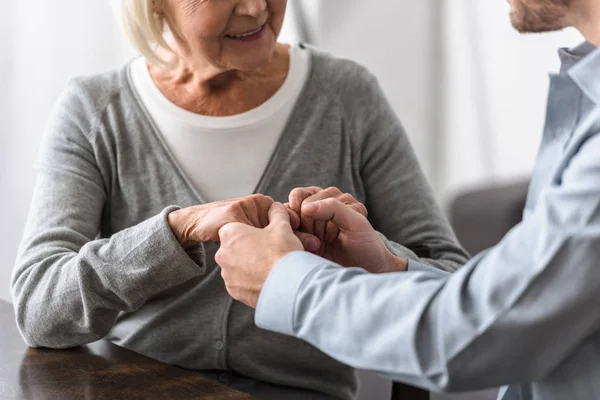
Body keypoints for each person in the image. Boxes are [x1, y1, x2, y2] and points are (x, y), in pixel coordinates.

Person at [10, 1, 468, 399]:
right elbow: (39, 308)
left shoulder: (347, 95)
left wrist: (372, 259)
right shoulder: (94, 109)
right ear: (155, 5)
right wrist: (175, 233)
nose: (254, 7)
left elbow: (456, 288)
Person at [215, 0, 600, 399]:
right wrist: (389, 269)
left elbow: (475, 334)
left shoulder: (343, 89)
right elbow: (514, 305)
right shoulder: (587, 88)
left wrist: (285, 281)